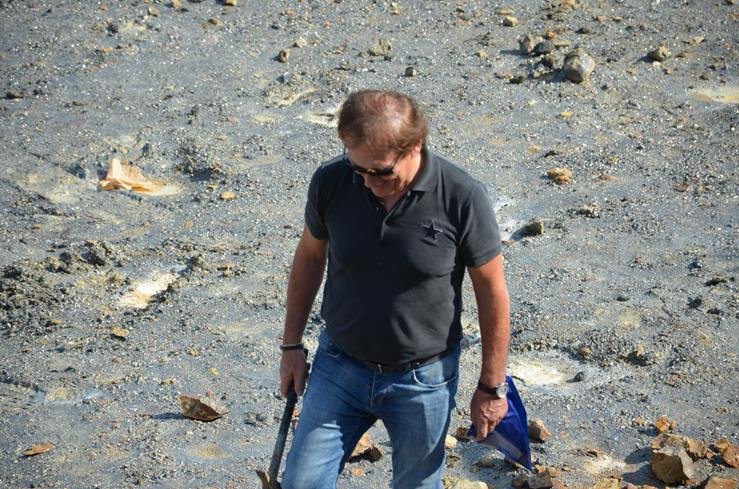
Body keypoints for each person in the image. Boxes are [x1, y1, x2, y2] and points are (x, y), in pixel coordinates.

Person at [278, 90, 511, 489]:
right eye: (359, 170)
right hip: (338, 367)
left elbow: (492, 293)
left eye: (381, 172)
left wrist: (491, 386)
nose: (368, 183)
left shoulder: (461, 197)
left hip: (423, 381)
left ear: (415, 145)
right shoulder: (332, 181)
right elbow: (310, 258)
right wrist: (291, 346)